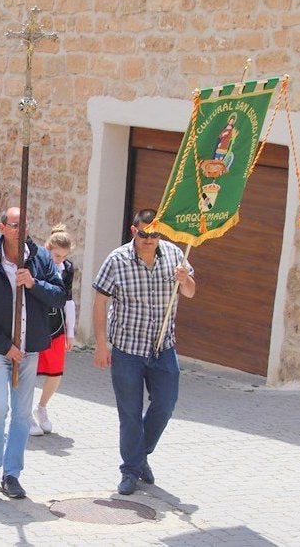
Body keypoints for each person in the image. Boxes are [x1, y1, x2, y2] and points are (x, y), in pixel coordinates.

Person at [0, 207, 66, 501]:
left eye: (24, 224)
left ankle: (12, 475)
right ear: (2, 227)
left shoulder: (41, 259)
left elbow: (59, 296)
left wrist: (34, 284)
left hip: (28, 348)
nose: (20, 229)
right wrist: (3, 345)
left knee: (22, 414)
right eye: (14, 224)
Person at [92, 208, 196, 496]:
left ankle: (138, 459)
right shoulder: (117, 260)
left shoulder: (176, 255)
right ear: (133, 231)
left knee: (166, 404)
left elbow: (190, 292)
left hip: (163, 347)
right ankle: (130, 470)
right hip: (127, 350)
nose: (149, 239)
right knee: (130, 413)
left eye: (155, 234)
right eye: (144, 234)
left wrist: (184, 279)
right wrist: (101, 344)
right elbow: (100, 302)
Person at [30, 224, 77, 437]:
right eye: (56, 255)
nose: (59, 259)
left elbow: (68, 300)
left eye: (63, 256)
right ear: (47, 248)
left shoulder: (67, 268)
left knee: (56, 371)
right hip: (35, 323)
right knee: (29, 371)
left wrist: (70, 332)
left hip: (56, 324)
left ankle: (41, 407)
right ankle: (24, 414)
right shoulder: (35, 264)